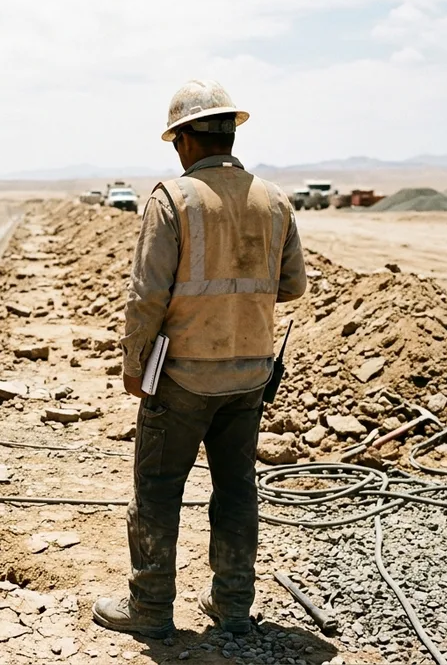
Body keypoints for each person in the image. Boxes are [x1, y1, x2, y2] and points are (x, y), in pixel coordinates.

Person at [93, 80, 306, 639]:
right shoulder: (275, 199)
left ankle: (150, 607)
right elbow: (292, 286)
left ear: (185, 139)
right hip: (251, 375)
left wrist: (134, 365)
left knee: (158, 490)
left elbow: (146, 296)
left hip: (182, 377)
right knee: (236, 490)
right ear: (231, 133)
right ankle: (232, 606)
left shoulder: (173, 199)